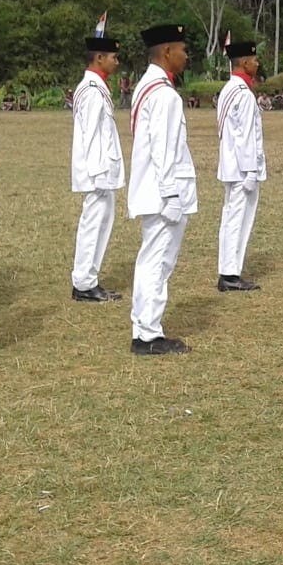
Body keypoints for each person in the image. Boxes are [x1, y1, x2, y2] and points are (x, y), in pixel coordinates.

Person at [127, 24, 197, 355]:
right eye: (182, 49)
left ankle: (145, 327)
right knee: (157, 262)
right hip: (162, 192)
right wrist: (171, 193)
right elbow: (163, 148)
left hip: (153, 188)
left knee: (152, 260)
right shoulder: (164, 94)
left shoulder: (147, 87)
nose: (186, 56)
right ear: (167, 52)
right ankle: (147, 334)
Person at [70, 36, 126, 303]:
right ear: (99, 58)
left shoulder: (96, 87)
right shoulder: (92, 90)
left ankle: (88, 278)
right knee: (93, 224)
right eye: (113, 57)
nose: (117, 62)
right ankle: (84, 282)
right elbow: (91, 135)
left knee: (101, 224)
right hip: (98, 171)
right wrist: (97, 173)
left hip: (101, 170)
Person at [216, 41, 267, 292]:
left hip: (230, 163)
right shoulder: (244, 94)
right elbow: (245, 136)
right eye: (254, 60)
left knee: (231, 218)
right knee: (238, 219)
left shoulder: (228, 89)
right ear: (244, 63)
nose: (257, 64)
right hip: (241, 167)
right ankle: (230, 273)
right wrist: (250, 171)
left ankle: (229, 270)